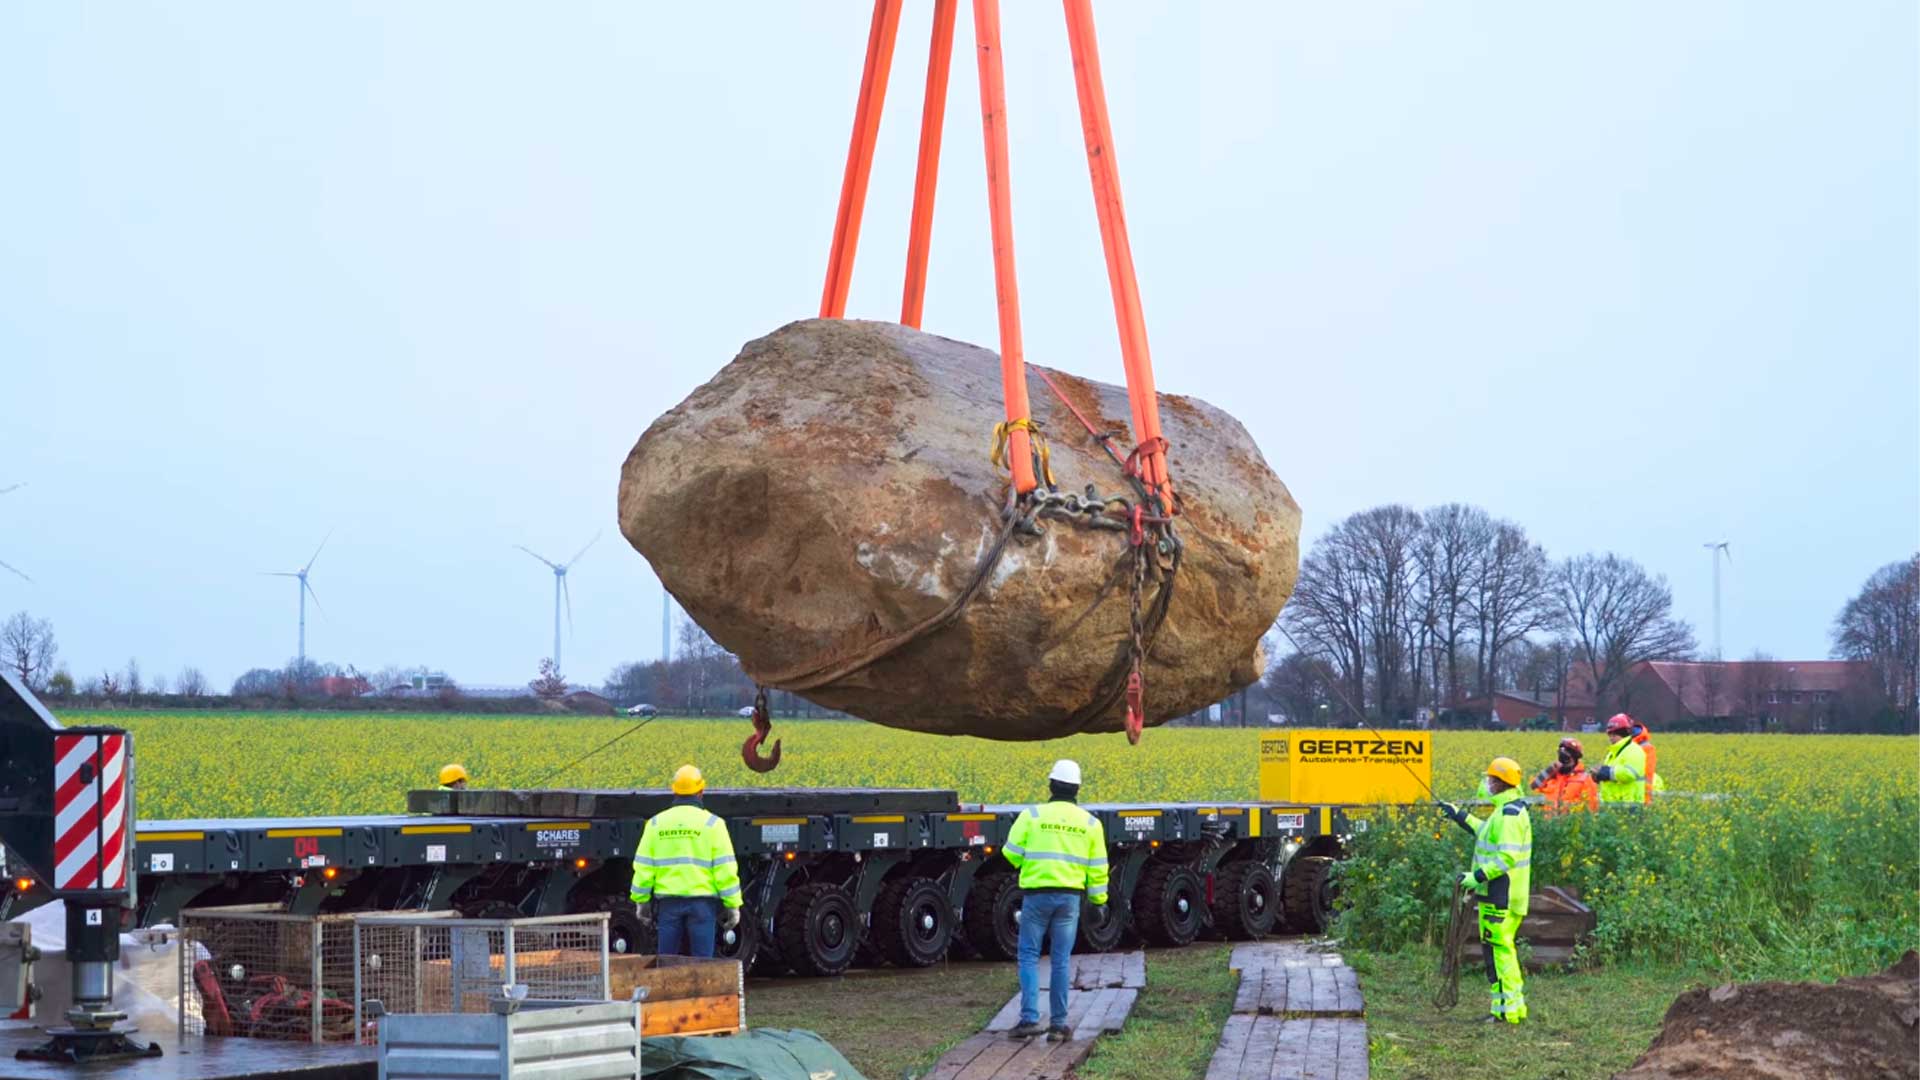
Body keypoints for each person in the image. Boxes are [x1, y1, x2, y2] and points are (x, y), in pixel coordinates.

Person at [1003, 759, 1109, 1042]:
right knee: (1061, 960)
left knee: (1028, 955)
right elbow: (1098, 867)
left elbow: (1010, 852)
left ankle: (1028, 1020)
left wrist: (1030, 864)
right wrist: (1098, 901)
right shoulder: (1090, 824)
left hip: (1036, 896)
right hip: (1069, 899)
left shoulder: (1032, 815)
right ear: (1077, 789)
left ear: (1051, 785)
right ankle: (1059, 1025)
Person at [1440, 757, 1532, 1025]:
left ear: (1498, 782)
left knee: (1498, 954)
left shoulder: (1509, 815)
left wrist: (1475, 877)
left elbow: (1506, 858)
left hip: (1500, 894)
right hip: (1501, 893)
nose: (1486, 782)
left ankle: (1505, 1013)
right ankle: (1509, 1009)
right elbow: (1485, 833)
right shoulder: (1506, 809)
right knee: (1501, 952)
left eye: (1489, 779)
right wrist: (1459, 815)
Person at [628, 764, 741, 957]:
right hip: (702, 906)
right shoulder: (714, 824)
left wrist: (641, 903)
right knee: (702, 964)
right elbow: (725, 869)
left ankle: (668, 988)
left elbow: (643, 868)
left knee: (667, 963)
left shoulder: (655, 823)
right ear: (701, 792)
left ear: (674, 791)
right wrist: (733, 905)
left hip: (668, 905)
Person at [1590, 713, 1651, 806]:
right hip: (1613, 804)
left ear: (1623, 734)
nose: (1611, 738)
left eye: (1614, 735)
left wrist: (1606, 772)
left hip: (1630, 804)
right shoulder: (1613, 753)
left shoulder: (1634, 750)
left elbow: (1630, 773)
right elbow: (1610, 775)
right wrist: (1598, 775)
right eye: (1610, 735)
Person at [1529, 738, 1598, 813]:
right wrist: (1549, 771)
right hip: (1549, 822)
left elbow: (1591, 807)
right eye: (1561, 758)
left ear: (1575, 759)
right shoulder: (1552, 776)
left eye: (1567, 758)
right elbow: (1533, 787)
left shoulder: (1584, 779)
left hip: (1571, 823)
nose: (1564, 762)